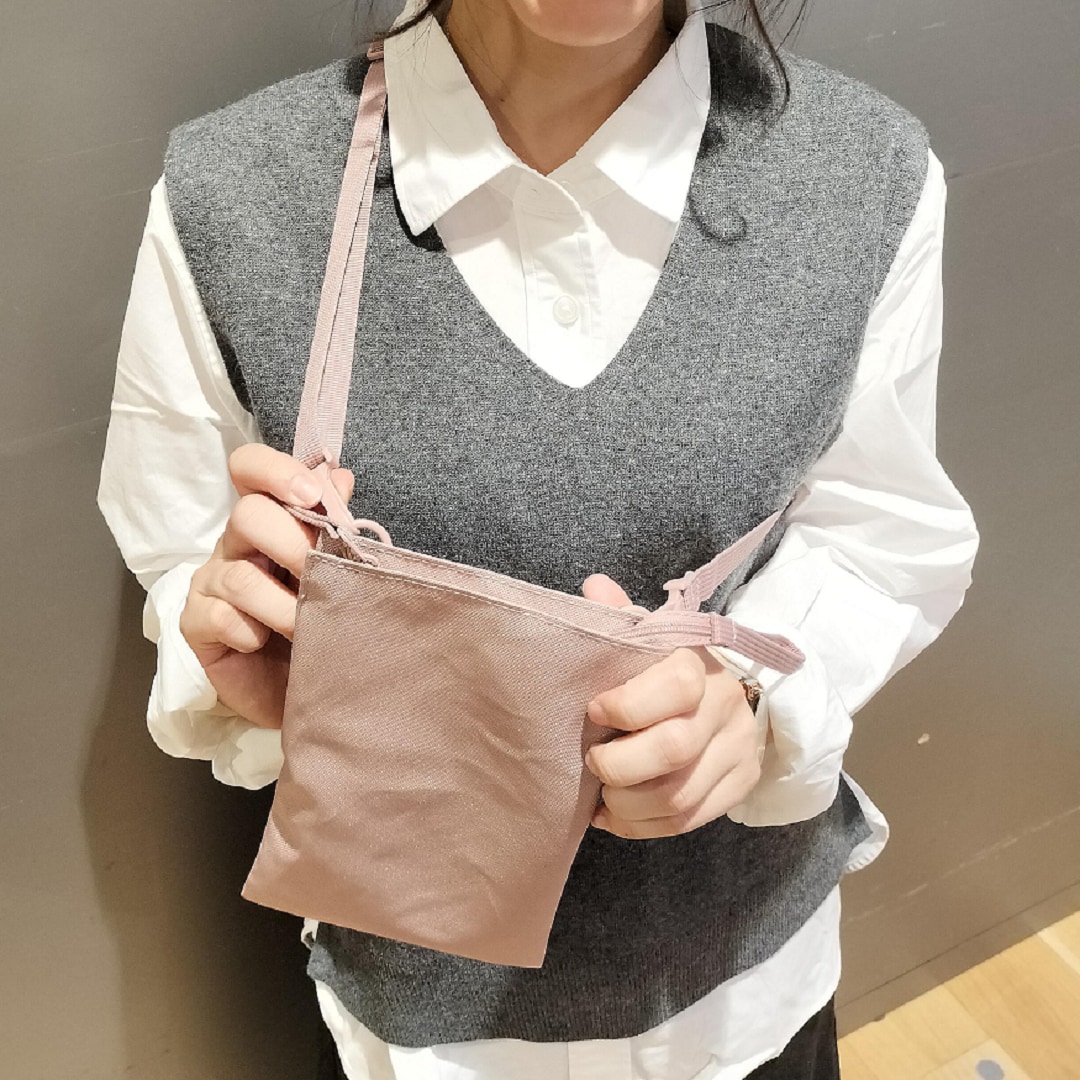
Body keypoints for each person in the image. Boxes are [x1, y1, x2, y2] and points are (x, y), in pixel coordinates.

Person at [96, 0, 981, 1075]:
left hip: (746, 996)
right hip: (423, 1031)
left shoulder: (866, 172)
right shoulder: (234, 194)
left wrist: (756, 706)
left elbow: (881, 526)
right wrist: (240, 649)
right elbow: (181, 553)